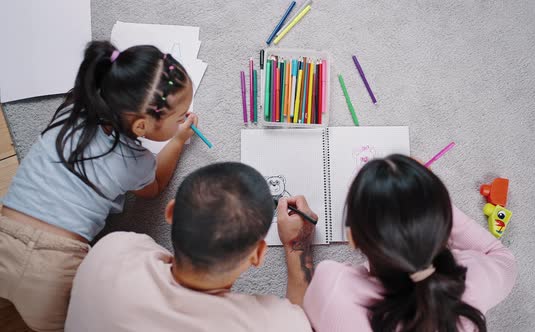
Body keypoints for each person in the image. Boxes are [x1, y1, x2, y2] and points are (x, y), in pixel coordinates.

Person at [0, 40, 199, 331]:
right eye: (179, 116)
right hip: (56, 268)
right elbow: (154, 186)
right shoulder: (134, 160)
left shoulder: (71, 111)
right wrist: (178, 140)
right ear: (141, 127)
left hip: (5, 233)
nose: (184, 117)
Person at [65, 162, 316, 332]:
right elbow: (304, 319)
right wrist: (297, 245)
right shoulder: (271, 324)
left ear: (171, 211)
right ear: (258, 254)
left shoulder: (111, 249)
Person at [303, 154, 517, 332]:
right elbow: (501, 256)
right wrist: (425, 202)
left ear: (352, 238)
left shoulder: (335, 289)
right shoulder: (472, 282)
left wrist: (297, 246)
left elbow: (297, 320)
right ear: (442, 224)